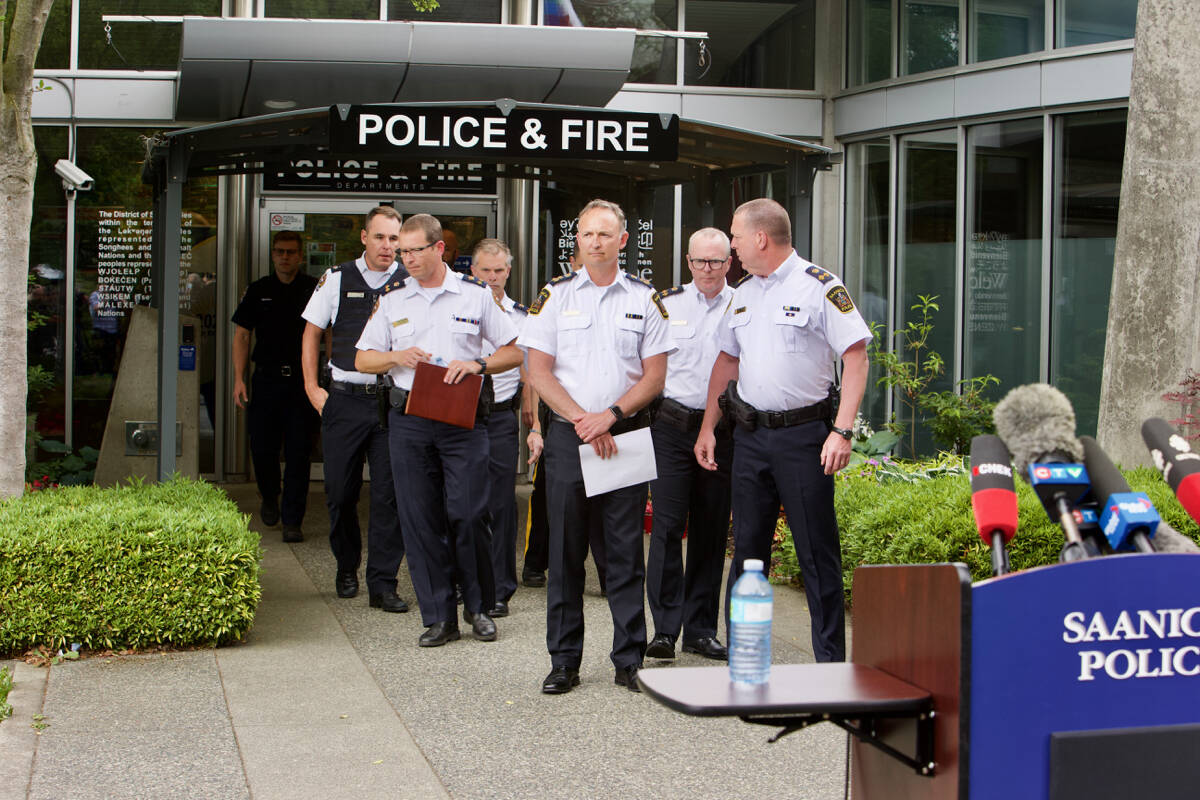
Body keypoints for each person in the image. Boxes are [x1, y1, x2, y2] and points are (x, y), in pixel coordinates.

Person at [694, 198, 870, 663]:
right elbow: (727, 361)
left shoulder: (820, 287)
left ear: (760, 238)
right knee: (748, 553)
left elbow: (855, 357)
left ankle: (830, 663)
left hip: (804, 438)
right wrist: (709, 426)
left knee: (816, 554)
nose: (731, 246)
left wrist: (842, 431)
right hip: (750, 437)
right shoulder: (745, 292)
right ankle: (746, 655)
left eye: (734, 237)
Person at [519, 199, 673, 694]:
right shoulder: (555, 296)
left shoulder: (647, 299)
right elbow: (537, 370)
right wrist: (582, 419)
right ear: (577, 240)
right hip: (568, 438)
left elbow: (655, 376)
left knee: (625, 553)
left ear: (623, 241)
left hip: (624, 436)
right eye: (587, 234)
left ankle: (629, 660)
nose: (595, 242)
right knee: (564, 551)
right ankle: (564, 660)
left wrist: (610, 416)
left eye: (605, 234)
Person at [356, 213, 521, 647]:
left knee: (468, 513)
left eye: (414, 250)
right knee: (420, 519)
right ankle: (439, 615)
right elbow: (362, 359)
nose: (405, 258)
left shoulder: (474, 294)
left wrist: (477, 364)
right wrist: (396, 357)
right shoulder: (393, 300)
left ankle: (479, 607)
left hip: (462, 420)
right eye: (401, 251)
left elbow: (515, 349)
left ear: (439, 249)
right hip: (409, 420)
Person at [300, 206, 409, 612]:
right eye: (380, 237)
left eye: (394, 239)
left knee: (389, 496)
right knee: (340, 493)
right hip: (343, 399)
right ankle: (347, 566)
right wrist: (312, 388)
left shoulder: (409, 281)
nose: (388, 246)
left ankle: (383, 582)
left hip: (390, 402)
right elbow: (312, 332)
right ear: (364, 237)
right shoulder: (337, 278)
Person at [644, 228, 736, 663]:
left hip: (724, 430)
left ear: (730, 261)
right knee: (665, 527)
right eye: (700, 261)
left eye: (716, 262)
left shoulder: (744, 304)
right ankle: (664, 629)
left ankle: (700, 629)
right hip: (671, 426)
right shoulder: (665, 304)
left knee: (710, 530)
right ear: (687, 260)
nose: (707, 270)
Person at [522, 249, 609, 593]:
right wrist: (536, 426)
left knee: (606, 505)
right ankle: (537, 565)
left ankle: (609, 577)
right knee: (553, 503)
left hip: (611, 423)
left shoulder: (631, 299)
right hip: (563, 420)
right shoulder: (555, 298)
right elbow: (534, 369)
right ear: (573, 262)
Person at [232, 230, 319, 542]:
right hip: (266, 379)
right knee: (262, 449)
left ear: (300, 256)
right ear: (273, 255)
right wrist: (239, 378)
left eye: (291, 252)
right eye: (280, 252)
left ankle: (292, 521)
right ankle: (270, 496)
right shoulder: (259, 290)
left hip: (301, 382)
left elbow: (328, 333)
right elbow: (242, 335)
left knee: (298, 453)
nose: (285, 257)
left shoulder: (313, 289)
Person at [469, 238, 528, 618]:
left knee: (502, 504)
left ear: (508, 271)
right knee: (463, 502)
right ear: (472, 271)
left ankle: (502, 588)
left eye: (498, 270)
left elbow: (531, 373)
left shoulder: (522, 316)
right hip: (462, 415)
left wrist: (535, 423)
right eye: (484, 270)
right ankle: (468, 582)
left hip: (503, 416)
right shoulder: (457, 306)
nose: (492, 278)